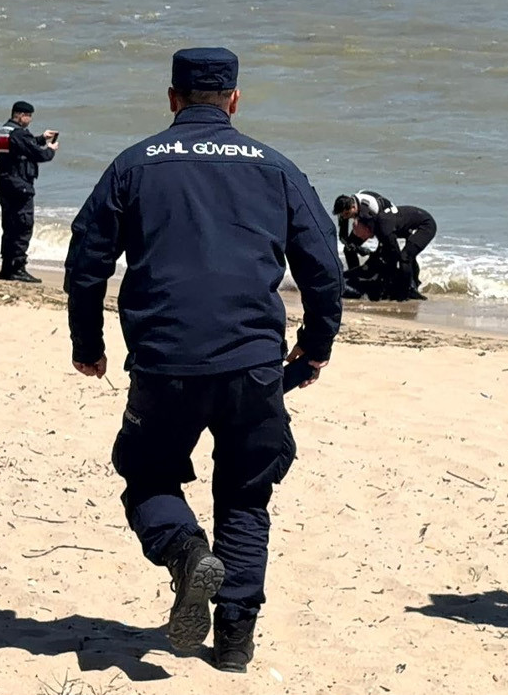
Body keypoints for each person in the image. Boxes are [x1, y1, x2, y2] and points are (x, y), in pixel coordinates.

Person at [64, 47, 342, 673]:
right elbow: (324, 268)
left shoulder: (134, 164)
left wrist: (89, 344)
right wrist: (317, 345)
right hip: (252, 362)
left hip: (164, 360)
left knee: (146, 473)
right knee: (245, 496)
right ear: (235, 101)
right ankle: (235, 642)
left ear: (172, 98)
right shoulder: (274, 166)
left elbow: (87, 261)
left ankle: (186, 553)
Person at [0, 100, 59, 283]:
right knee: (23, 225)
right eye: (29, 116)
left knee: (9, 226)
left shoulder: (3, 130)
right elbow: (39, 155)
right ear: (21, 115)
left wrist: (41, 138)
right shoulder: (18, 133)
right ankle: (17, 268)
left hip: (5, 183)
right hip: (20, 185)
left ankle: (7, 268)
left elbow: (21, 146)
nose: (29, 120)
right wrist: (51, 149)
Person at [350, 203, 436, 301]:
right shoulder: (376, 226)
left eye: (360, 235)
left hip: (425, 225)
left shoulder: (383, 229)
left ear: (366, 228)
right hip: (410, 226)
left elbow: (395, 254)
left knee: (405, 257)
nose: (361, 238)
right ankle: (412, 287)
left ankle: (404, 295)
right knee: (403, 257)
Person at [331, 190, 392, 272]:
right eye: (342, 215)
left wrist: (368, 251)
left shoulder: (365, 211)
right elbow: (343, 237)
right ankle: (354, 275)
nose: (345, 217)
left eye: (347, 214)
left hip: (388, 215)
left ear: (353, 207)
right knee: (349, 249)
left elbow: (379, 234)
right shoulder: (345, 210)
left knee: (385, 253)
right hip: (368, 218)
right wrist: (357, 248)